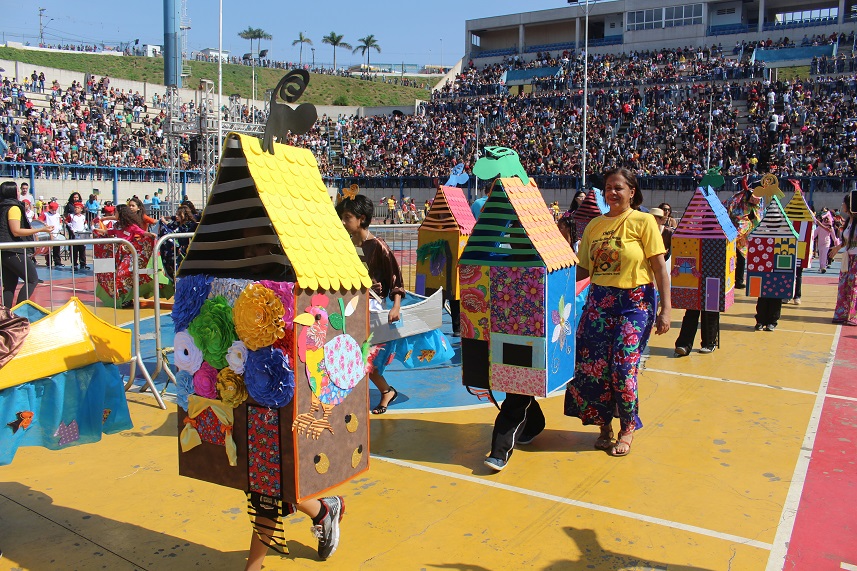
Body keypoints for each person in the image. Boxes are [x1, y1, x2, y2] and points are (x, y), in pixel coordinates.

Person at [236, 224, 344, 571]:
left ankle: (253, 567)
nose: (248, 256)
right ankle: (325, 509)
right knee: (273, 484)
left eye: (254, 250)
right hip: (252, 399)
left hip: (286, 400)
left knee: (268, 492)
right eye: (245, 250)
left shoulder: (290, 288)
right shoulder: (245, 287)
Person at [564, 167, 671, 457]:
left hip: (635, 303)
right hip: (599, 302)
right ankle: (603, 426)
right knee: (593, 368)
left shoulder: (644, 221)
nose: (612, 192)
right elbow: (583, 270)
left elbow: (660, 267)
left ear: (631, 192)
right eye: (608, 187)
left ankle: (627, 427)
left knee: (623, 367)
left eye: (619, 188)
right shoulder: (594, 227)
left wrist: (665, 309)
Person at [337, 194, 404, 413]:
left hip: (371, 307)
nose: (343, 222)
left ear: (361, 218)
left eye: (347, 217)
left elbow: (395, 278)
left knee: (364, 356)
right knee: (347, 353)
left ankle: (386, 391)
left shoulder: (378, 246)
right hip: (348, 305)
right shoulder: (342, 245)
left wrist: (396, 306)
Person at [1, 181, 50, 307]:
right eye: (17, 190)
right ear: (12, 192)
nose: (19, 193)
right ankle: (19, 311)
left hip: (5, 251)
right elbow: (16, 231)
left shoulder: (2, 206)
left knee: (9, 286)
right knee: (32, 279)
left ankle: (6, 315)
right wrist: (41, 229)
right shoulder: (13, 208)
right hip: (14, 250)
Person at [831, 193, 857, 326]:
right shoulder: (848, 221)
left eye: (844, 203)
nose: (842, 205)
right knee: (843, 286)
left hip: (856, 258)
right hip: (847, 257)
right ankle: (841, 313)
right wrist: (838, 247)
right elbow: (846, 240)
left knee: (854, 287)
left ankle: (853, 316)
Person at [158, 205, 198, 281]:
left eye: (179, 214)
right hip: (176, 252)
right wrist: (167, 218)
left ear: (185, 215)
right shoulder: (178, 222)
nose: (177, 216)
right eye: (176, 214)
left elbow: (171, 227)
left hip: (184, 251)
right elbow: (172, 221)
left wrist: (164, 221)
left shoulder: (188, 224)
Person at [39, 201, 65, 267]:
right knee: (48, 249)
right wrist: (44, 224)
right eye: (52, 210)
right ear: (49, 209)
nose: (54, 212)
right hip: (48, 233)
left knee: (57, 248)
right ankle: (48, 262)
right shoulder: (46, 214)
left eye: (55, 210)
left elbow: (59, 222)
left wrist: (60, 227)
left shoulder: (57, 215)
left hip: (56, 233)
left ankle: (57, 262)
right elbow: (39, 220)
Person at [67, 202, 90, 271]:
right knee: (74, 250)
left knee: (82, 250)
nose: (76, 209)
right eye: (75, 208)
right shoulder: (71, 216)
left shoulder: (83, 216)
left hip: (82, 234)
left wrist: (85, 226)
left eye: (78, 208)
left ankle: (83, 264)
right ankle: (74, 264)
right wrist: (70, 225)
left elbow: (84, 222)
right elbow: (66, 221)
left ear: (81, 209)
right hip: (74, 235)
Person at [816, 209, 838, 274]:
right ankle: (821, 266)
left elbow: (834, 236)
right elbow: (814, 234)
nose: (826, 220)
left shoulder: (830, 228)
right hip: (820, 243)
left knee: (824, 254)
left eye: (827, 219)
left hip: (826, 243)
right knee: (821, 255)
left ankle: (823, 267)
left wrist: (836, 242)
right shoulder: (820, 227)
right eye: (825, 219)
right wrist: (811, 238)